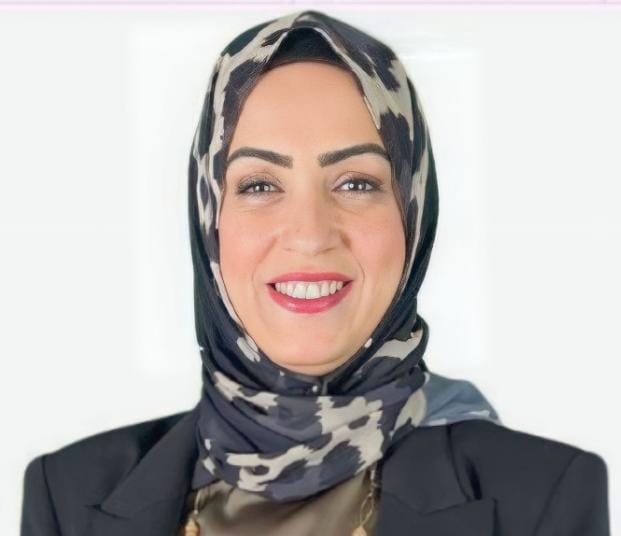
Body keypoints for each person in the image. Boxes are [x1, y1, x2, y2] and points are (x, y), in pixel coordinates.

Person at [20, 10, 609, 536]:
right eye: (259, 185)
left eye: (356, 183)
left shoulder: (544, 499)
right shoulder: (68, 497)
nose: (309, 233)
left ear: (413, 215)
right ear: (208, 220)